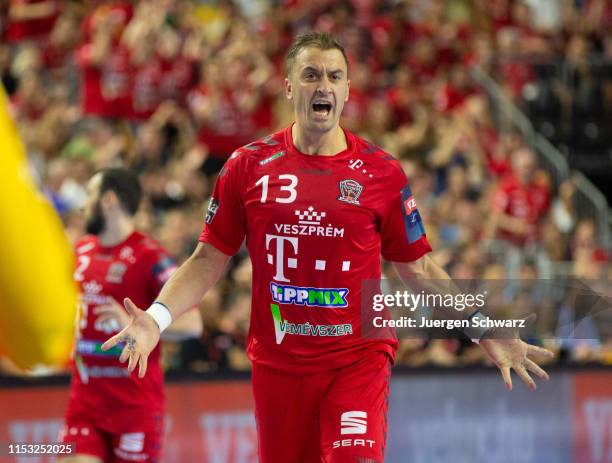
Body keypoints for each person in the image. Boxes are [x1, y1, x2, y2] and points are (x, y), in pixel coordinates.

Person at [103, 32, 553, 463]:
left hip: (357, 357)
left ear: (348, 90)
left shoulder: (380, 172)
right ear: (288, 87)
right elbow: (206, 261)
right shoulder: (247, 166)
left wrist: (482, 325)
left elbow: (421, 269)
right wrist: (157, 321)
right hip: (279, 366)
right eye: (312, 75)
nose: (324, 86)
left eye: (335, 77)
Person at [58, 168, 201, 463]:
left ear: (108, 200)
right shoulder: (81, 250)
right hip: (84, 404)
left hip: (134, 407)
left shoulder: (150, 256)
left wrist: (139, 323)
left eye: (90, 195)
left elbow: (193, 323)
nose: (84, 206)